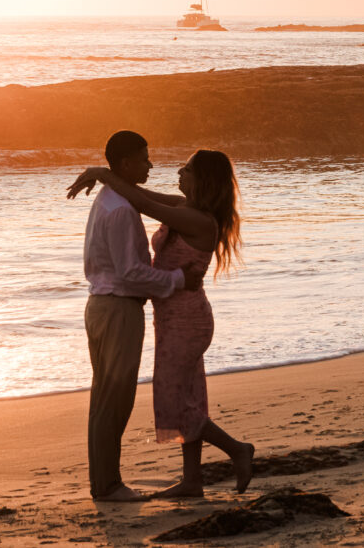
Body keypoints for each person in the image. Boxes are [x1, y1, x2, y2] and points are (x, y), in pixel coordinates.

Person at [68, 148, 254, 498]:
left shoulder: (198, 220)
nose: (178, 172)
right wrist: (103, 173)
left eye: (187, 169)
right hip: (171, 316)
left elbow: (143, 204)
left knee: (174, 399)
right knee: (190, 395)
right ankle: (192, 480)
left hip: (186, 318)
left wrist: (103, 172)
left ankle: (237, 450)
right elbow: (143, 197)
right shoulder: (186, 208)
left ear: (203, 180)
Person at [74, 130, 204, 502]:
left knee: (107, 399)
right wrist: (178, 278)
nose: (151, 164)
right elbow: (131, 272)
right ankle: (108, 485)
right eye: (145, 158)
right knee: (113, 400)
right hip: (117, 308)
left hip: (106, 306)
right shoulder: (118, 210)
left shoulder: (114, 200)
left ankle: (105, 482)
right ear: (127, 163)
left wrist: (101, 171)